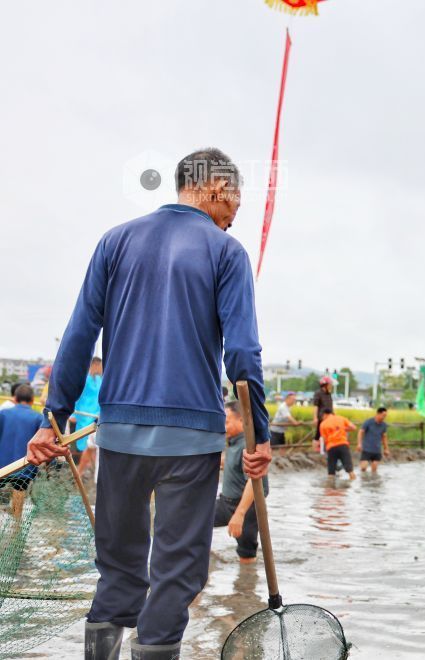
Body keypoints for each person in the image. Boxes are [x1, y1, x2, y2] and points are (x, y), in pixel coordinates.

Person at [26, 148, 272, 660]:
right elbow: (243, 353)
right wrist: (260, 437)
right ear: (217, 189)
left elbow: (78, 335)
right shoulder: (227, 254)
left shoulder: (115, 241)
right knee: (176, 575)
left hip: (119, 434)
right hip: (192, 441)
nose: (232, 220)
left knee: (118, 569)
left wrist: (54, 419)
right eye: (235, 207)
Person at [213, 401, 268, 563]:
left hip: (247, 507)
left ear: (242, 421)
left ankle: (246, 585)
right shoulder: (233, 441)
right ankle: (204, 561)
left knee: (246, 557)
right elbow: (230, 462)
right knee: (196, 520)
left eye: (227, 421)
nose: (224, 425)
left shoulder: (248, 446)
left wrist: (239, 514)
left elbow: (254, 480)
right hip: (225, 502)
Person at [0, 384, 43, 518]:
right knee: (19, 491)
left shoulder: (3, 414)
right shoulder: (38, 417)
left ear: (15, 399)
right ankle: (17, 528)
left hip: (2, 465)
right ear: (31, 400)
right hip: (23, 465)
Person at [71, 357, 102, 474]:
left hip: (97, 415)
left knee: (92, 445)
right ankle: (82, 471)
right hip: (84, 415)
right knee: (87, 444)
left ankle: (88, 470)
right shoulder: (83, 379)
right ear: (94, 365)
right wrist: (73, 413)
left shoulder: (100, 379)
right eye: (99, 365)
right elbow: (76, 396)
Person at [318, 407, 357, 479]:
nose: (322, 418)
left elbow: (324, 439)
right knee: (350, 470)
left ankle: (330, 488)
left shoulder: (322, 424)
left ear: (325, 414)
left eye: (322, 416)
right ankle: (352, 487)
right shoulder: (341, 418)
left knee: (331, 472)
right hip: (343, 445)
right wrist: (343, 429)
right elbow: (353, 427)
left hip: (331, 447)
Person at [358, 407, 390, 473]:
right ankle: (363, 482)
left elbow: (384, 437)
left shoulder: (384, 425)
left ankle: (373, 483)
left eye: (385, 416)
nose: (384, 417)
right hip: (367, 449)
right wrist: (359, 444)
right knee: (363, 468)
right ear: (378, 414)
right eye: (383, 415)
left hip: (377, 450)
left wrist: (386, 449)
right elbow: (360, 432)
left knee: (374, 471)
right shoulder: (368, 422)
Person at [312, 376, 335, 445]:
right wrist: (315, 417)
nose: (331, 386)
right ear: (325, 385)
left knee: (328, 434)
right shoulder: (318, 393)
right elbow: (316, 406)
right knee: (318, 434)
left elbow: (330, 405)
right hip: (322, 417)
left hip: (330, 417)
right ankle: (316, 450)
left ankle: (324, 449)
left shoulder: (329, 394)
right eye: (329, 384)